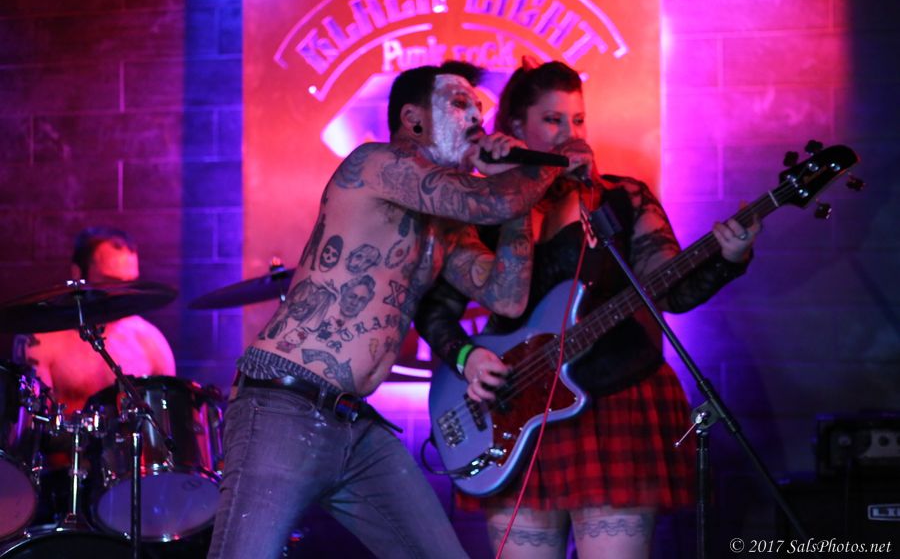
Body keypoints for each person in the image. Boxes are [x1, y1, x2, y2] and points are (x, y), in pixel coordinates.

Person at [207, 61, 587, 559]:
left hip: (355, 425)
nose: (477, 117)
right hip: (285, 405)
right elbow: (490, 203)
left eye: (479, 107)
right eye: (460, 104)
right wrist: (548, 161)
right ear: (413, 119)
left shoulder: (446, 226)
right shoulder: (375, 163)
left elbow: (506, 296)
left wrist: (513, 185)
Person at [414, 59, 761, 559]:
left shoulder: (622, 199)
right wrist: (468, 359)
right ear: (517, 128)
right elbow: (434, 310)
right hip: (516, 408)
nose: (569, 134)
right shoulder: (489, 209)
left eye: (578, 120)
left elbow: (672, 291)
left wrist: (729, 257)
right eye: (552, 120)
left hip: (614, 401)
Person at [13, 226, 176, 414]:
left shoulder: (152, 342)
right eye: (111, 282)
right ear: (77, 273)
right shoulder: (40, 340)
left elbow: (169, 422)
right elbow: (32, 423)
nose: (122, 293)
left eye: (130, 283)